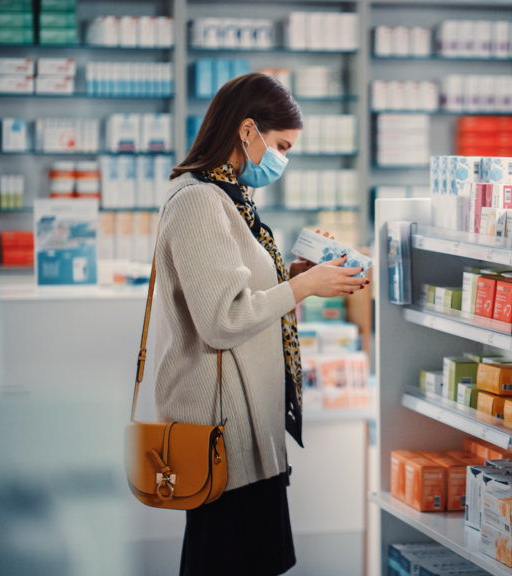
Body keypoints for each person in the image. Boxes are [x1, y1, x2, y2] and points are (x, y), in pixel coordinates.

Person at [155, 72, 367, 575]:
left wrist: (295, 274)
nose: (283, 161)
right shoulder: (200, 201)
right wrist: (301, 289)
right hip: (224, 433)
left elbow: (238, 290)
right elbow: (222, 319)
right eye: (280, 146)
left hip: (248, 425)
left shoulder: (232, 197)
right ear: (247, 131)